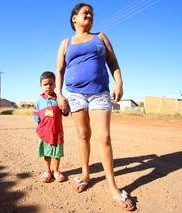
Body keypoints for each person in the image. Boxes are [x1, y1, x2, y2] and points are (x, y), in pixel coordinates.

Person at [55, 3, 135, 211]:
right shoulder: (66, 43)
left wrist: (119, 83)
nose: (89, 15)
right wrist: (59, 94)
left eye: (91, 13)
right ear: (74, 18)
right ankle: (85, 174)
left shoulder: (101, 37)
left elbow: (114, 63)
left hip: (99, 93)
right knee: (82, 135)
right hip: (74, 94)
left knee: (104, 137)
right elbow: (60, 71)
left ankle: (113, 187)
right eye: (85, 12)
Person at [33, 71, 68, 183]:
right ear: (40, 85)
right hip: (44, 133)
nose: (48, 86)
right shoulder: (38, 101)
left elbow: (65, 112)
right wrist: (41, 130)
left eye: (51, 84)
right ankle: (48, 171)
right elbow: (36, 117)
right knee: (46, 152)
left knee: (56, 153)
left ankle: (56, 171)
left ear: (55, 85)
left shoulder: (59, 99)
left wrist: (65, 107)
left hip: (57, 131)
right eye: (45, 84)